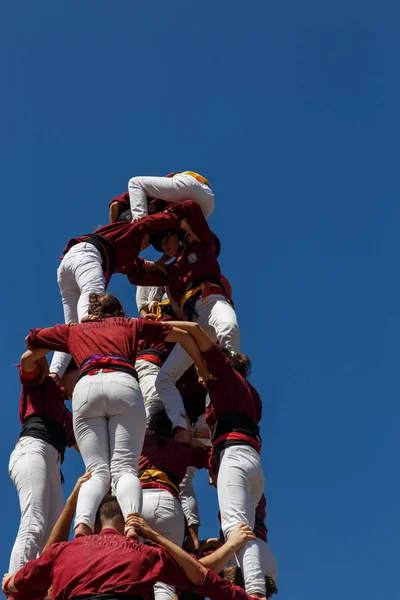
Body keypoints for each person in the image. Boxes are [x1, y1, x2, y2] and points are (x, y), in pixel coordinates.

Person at [24, 293, 213, 538]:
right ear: (118, 311)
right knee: (125, 469)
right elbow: (183, 335)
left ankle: (83, 525)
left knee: (97, 471)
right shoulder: (129, 325)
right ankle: (133, 523)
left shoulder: (75, 330)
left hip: (87, 386)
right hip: (123, 382)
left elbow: (32, 340)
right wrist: (202, 367)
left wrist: (64, 340)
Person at [161, 322, 266, 599]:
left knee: (236, 528)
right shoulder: (251, 395)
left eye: (199, 369)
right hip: (252, 459)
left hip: (234, 455)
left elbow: (196, 330)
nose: (197, 375)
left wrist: (161, 327)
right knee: (246, 525)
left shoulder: (225, 375)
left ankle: (256, 592)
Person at [128, 200, 239, 439]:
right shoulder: (171, 273)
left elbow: (191, 207)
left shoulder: (202, 248)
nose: (164, 247)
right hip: (193, 323)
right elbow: (135, 273)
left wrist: (167, 218)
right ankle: (180, 426)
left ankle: (229, 389)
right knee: (163, 380)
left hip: (212, 302)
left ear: (181, 235)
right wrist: (156, 261)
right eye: (161, 245)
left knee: (228, 327)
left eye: (166, 239)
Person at [50, 208, 196, 380]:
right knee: (94, 302)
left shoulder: (122, 250)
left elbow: (136, 273)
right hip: (87, 256)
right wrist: (178, 220)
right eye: (148, 241)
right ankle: (92, 344)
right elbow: (147, 224)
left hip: (68, 265)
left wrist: (160, 269)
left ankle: (54, 374)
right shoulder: (131, 230)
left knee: (71, 326)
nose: (145, 245)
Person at [8, 352, 77, 575]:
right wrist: (53, 346)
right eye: (79, 376)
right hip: (33, 450)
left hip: (52, 463)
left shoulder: (66, 416)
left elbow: (86, 445)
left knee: (53, 541)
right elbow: (28, 358)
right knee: (34, 522)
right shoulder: (43, 382)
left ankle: (40, 591)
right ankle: (16, 590)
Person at [139, 408, 211, 600]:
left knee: (134, 571)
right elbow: (214, 459)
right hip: (168, 503)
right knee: (165, 580)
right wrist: (195, 439)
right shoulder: (184, 451)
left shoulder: (141, 442)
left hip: (137, 502)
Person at [135, 297, 177, 425]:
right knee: (155, 405)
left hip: (133, 371)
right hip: (148, 366)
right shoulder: (170, 324)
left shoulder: (144, 324)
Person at [128, 171, 215, 221]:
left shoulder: (171, 177)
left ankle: (139, 220)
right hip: (208, 204)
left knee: (135, 183)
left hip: (190, 186)